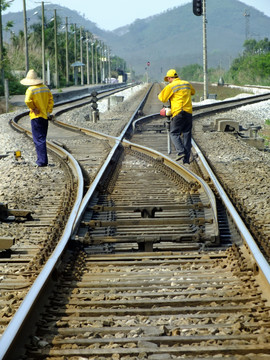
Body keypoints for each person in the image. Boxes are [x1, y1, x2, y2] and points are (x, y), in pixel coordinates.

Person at [158, 69, 195, 164]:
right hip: (188, 112)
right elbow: (193, 92)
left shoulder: (171, 86)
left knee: (174, 133)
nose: (168, 81)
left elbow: (162, 98)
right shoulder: (186, 84)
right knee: (187, 134)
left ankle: (180, 151)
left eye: (168, 79)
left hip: (178, 112)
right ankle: (186, 159)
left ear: (170, 78)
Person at [20, 69, 54, 167]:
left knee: (38, 139)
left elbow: (27, 100)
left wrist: (33, 108)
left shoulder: (31, 90)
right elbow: (51, 101)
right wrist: (48, 111)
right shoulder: (45, 88)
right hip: (45, 116)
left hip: (36, 117)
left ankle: (41, 161)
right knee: (42, 138)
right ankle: (43, 160)